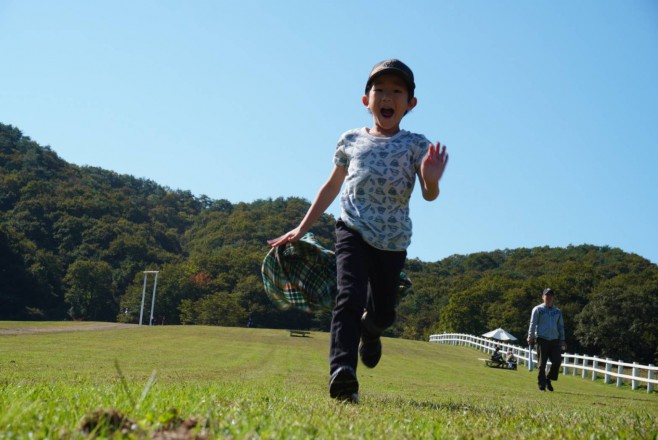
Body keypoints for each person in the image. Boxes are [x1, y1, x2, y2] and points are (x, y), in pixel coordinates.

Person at [268, 59, 449, 403]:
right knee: (348, 296)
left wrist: (433, 178)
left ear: (410, 104)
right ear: (366, 100)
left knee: (384, 312)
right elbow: (331, 186)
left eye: (397, 91)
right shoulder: (350, 139)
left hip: (392, 241)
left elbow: (428, 193)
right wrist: (301, 227)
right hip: (351, 229)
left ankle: (372, 329)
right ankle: (343, 373)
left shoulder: (416, 145)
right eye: (379, 90)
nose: (387, 96)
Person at [527, 288, 566, 391]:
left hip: (554, 340)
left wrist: (562, 340)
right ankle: (542, 385)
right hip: (542, 339)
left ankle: (548, 378)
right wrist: (530, 336)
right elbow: (533, 323)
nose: (548, 297)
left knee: (557, 361)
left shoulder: (557, 311)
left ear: (553, 297)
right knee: (542, 364)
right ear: (543, 297)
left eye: (550, 295)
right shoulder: (538, 309)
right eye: (546, 295)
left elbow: (561, 326)